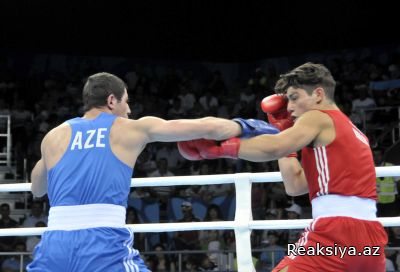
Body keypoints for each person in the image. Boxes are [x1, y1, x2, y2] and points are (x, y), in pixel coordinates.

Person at [28, 72, 279, 271]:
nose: (128, 110)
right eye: (126, 101)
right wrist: (245, 126)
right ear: (112, 100)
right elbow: (206, 127)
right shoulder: (131, 128)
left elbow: (37, 189)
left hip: (54, 243)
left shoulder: (54, 136)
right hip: (102, 243)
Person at [178, 63, 388, 271]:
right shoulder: (352, 133)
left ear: (318, 94)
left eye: (294, 97)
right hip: (370, 240)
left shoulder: (318, 117)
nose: (289, 107)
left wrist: (221, 148)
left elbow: (274, 148)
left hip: (336, 233)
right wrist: (283, 133)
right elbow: (295, 185)